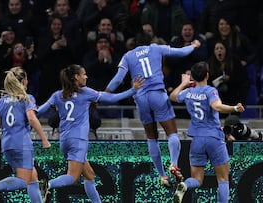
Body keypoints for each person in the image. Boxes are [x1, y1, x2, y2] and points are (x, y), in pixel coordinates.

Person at [105, 32, 201, 187]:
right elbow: (181, 52)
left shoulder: (128, 56)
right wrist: (194, 46)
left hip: (141, 98)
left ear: (136, 43)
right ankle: (174, 164)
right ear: (150, 41)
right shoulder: (156, 48)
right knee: (172, 133)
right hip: (158, 95)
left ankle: (162, 176)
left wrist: (106, 93)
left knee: (151, 136)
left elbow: (118, 79)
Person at [37, 64, 144, 202]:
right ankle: (48, 184)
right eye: (84, 74)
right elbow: (111, 99)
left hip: (64, 140)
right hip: (79, 141)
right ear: (76, 77)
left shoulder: (57, 95)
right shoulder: (86, 93)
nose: (86, 76)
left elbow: (39, 111)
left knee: (89, 175)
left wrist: (25, 115)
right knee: (72, 178)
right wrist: (132, 90)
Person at [169, 61, 245, 203]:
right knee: (223, 179)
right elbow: (216, 106)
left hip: (197, 140)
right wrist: (234, 108)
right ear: (207, 75)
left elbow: (173, 96)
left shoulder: (189, 92)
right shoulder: (210, 91)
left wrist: (184, 83)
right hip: (214, 138)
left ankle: (185, 185)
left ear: (192, 76)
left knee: (197, 179)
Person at [0, 67, 51, 203]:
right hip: (22, 144)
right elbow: (32, 119)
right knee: (23, 180)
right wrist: (44, 139)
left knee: (33, 178)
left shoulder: (0, 102)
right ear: (23, 81)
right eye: (26, 79)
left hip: (7, 145)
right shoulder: (27, 99)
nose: (28, 82)